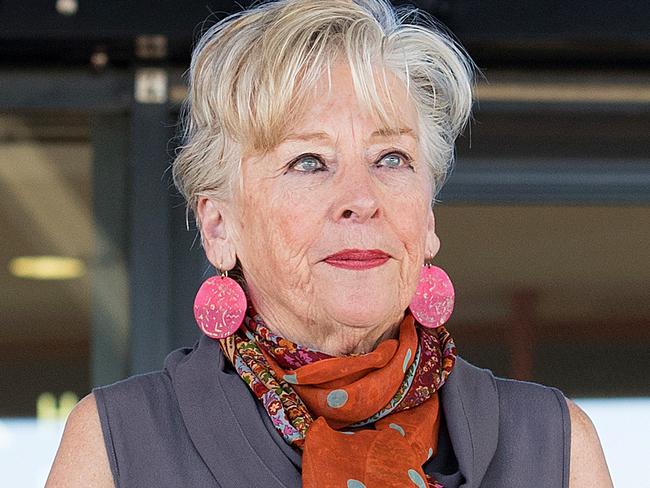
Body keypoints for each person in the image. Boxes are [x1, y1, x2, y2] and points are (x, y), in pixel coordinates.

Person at [46, 1, 613, 487]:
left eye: (391, 158)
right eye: (309, 162)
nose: (360, 199)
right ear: (220, 228)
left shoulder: (553, 448)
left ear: (428, 215)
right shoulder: (120, 446)